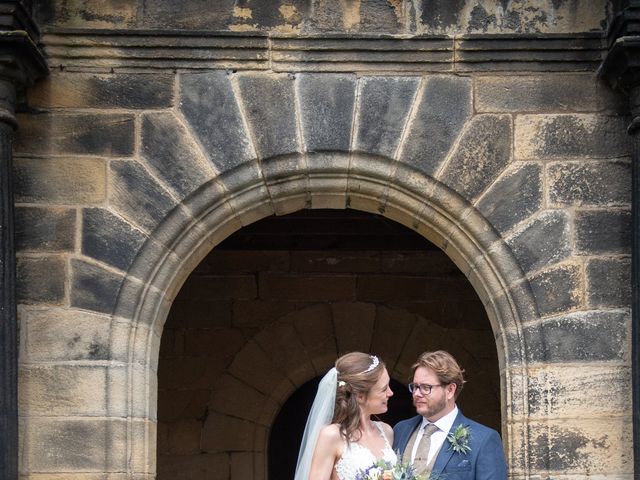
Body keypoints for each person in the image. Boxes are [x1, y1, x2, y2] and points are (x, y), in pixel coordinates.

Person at [393, 350, 507, 480]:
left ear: (450, 390)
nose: (417, 394)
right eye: (415, 386)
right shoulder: (400, 430)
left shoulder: (484, 439)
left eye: (426, 387)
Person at [294, 352, 396, 480]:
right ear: (360, 396)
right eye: (384, 389)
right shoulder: (332, 435)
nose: (390, 393)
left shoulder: (387, 432)